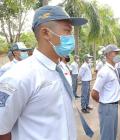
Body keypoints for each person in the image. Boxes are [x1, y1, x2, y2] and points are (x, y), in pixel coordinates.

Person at [0, 5, 88, 140]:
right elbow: (2, 130)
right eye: (67, 31)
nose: (71, 38)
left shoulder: (62, 69)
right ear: (46, 33)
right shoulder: (18, 76)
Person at [91, 44, 120, 140]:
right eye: (116, 53)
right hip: (107, 107)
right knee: (107, 136)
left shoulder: (113, 69)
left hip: (113, 106)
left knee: (112, 135)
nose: (118, 55)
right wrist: (104, 102)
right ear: (108, 55)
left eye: (118, 53)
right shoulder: (104, 71)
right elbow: (94, 93)